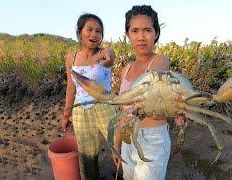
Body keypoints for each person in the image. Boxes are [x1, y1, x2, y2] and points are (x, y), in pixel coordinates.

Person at [113, 5, 186, 180]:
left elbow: (153, 78)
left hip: (152, 139)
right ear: (127, 35)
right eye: (135, 31)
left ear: (156, 33)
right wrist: (117, 145)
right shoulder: (125, 70)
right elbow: (121, 111)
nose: (141, 37)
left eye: (147, 30)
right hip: (127, 139)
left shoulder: (160, 61)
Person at [62, 13, 117, 180]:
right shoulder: (71, 58)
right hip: (81, 110)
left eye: (99, 31)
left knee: (120, 144)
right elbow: (71, 88)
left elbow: (110, 57)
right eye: (90, 29)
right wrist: (66, 114)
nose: (94, 34)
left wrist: (108, 60)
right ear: (80, 32)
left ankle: (127, 174)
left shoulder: (104, 52)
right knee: (87, 154)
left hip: (104, 106)